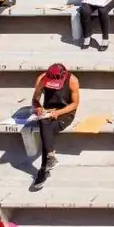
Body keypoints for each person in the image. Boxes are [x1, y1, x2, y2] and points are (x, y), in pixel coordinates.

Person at [30, 63, 80, 191]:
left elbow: (74, 104)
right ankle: (50, 158)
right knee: (44, 122)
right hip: (48, 111)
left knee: (45, 127)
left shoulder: (72, 80)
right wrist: (38, 108)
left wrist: (58, 113)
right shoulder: (42, 79)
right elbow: (35, 100)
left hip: (65, 112)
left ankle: (43, 169)